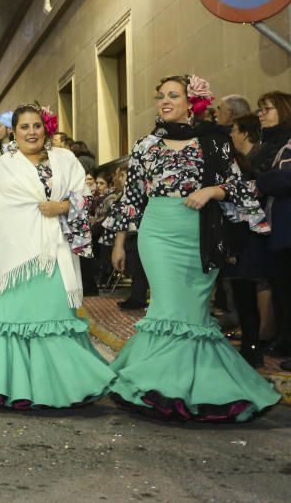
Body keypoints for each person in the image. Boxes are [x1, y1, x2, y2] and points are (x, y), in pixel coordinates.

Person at [104, 74, 280, 421]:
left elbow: (238, 186)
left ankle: (194, 385)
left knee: (193, 315)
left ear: (191, 102)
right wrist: (120, 242)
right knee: (168, 307)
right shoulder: (146, 145)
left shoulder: (214, 142)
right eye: (160, 96)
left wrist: (211, 191)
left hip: (199, 236)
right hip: (158, 233)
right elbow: (133, 197)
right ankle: (162, 387)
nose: (164, 101)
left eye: (173, 95)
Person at [0, 103, 114, 409]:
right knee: (18, 320)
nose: (31, 132)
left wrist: (64, 207)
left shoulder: (65, 159)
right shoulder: (3, 165)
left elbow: (86, 194)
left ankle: (61, 386)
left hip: (55, 253)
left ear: (46, 128)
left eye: (37, 125)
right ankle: (13, 384)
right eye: (24, 127)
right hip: (15, 256)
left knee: (54, 318)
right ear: (14, 133)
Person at [222, 114, 270, 367]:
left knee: (247, 292)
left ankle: (253, 346)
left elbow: (244, 208)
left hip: (245, 237)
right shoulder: (238, 164)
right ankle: (250, 345)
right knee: (243, 293)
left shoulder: (240, 167)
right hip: (242, 238)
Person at [253, 91, 291, 370]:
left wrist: (260, 182)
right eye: (259, 110)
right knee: (280, 286)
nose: (261, 114)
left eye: (267, 109)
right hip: (277, 226)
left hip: (287, 225)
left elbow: (285, 179)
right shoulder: (268, 144)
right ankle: (284, 337)